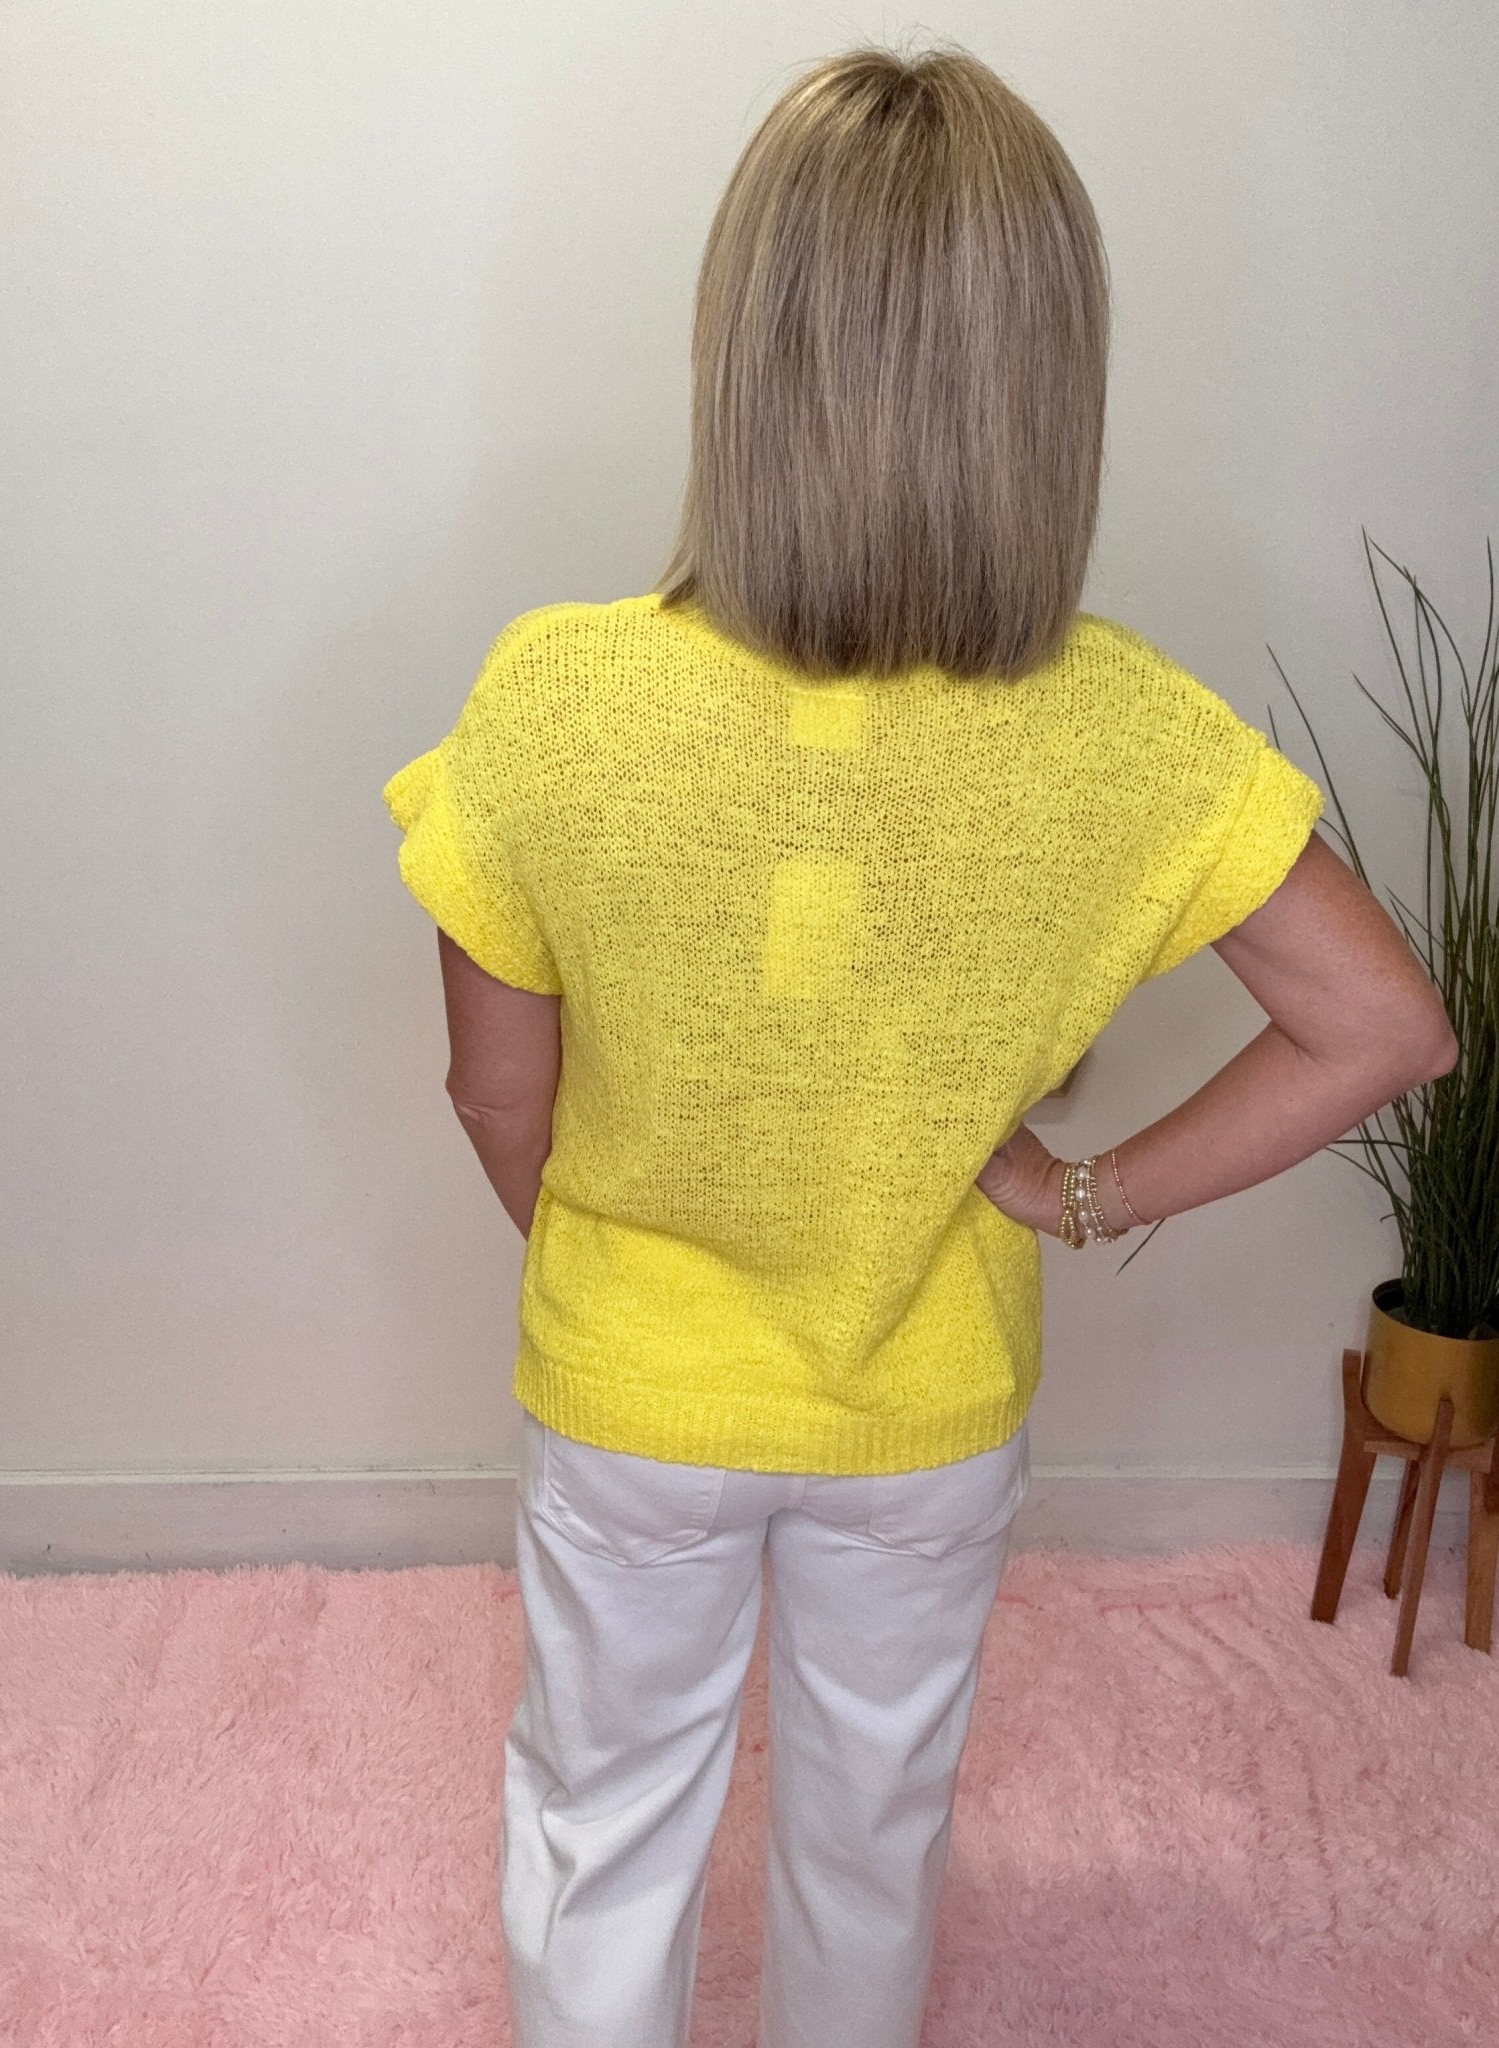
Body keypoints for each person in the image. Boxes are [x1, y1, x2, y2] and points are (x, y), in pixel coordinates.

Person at [381, 40, 1458, 2048]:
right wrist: (1076, 1192)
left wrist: (632, 1253)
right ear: (1045, 384)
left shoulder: (552, 696)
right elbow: (1386, 1026)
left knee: (603, 1823)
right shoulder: (1125, 728)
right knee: (872, 1829)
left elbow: (493, 1091)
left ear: (745, 345)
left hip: (634, 1395)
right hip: (931, 1402)